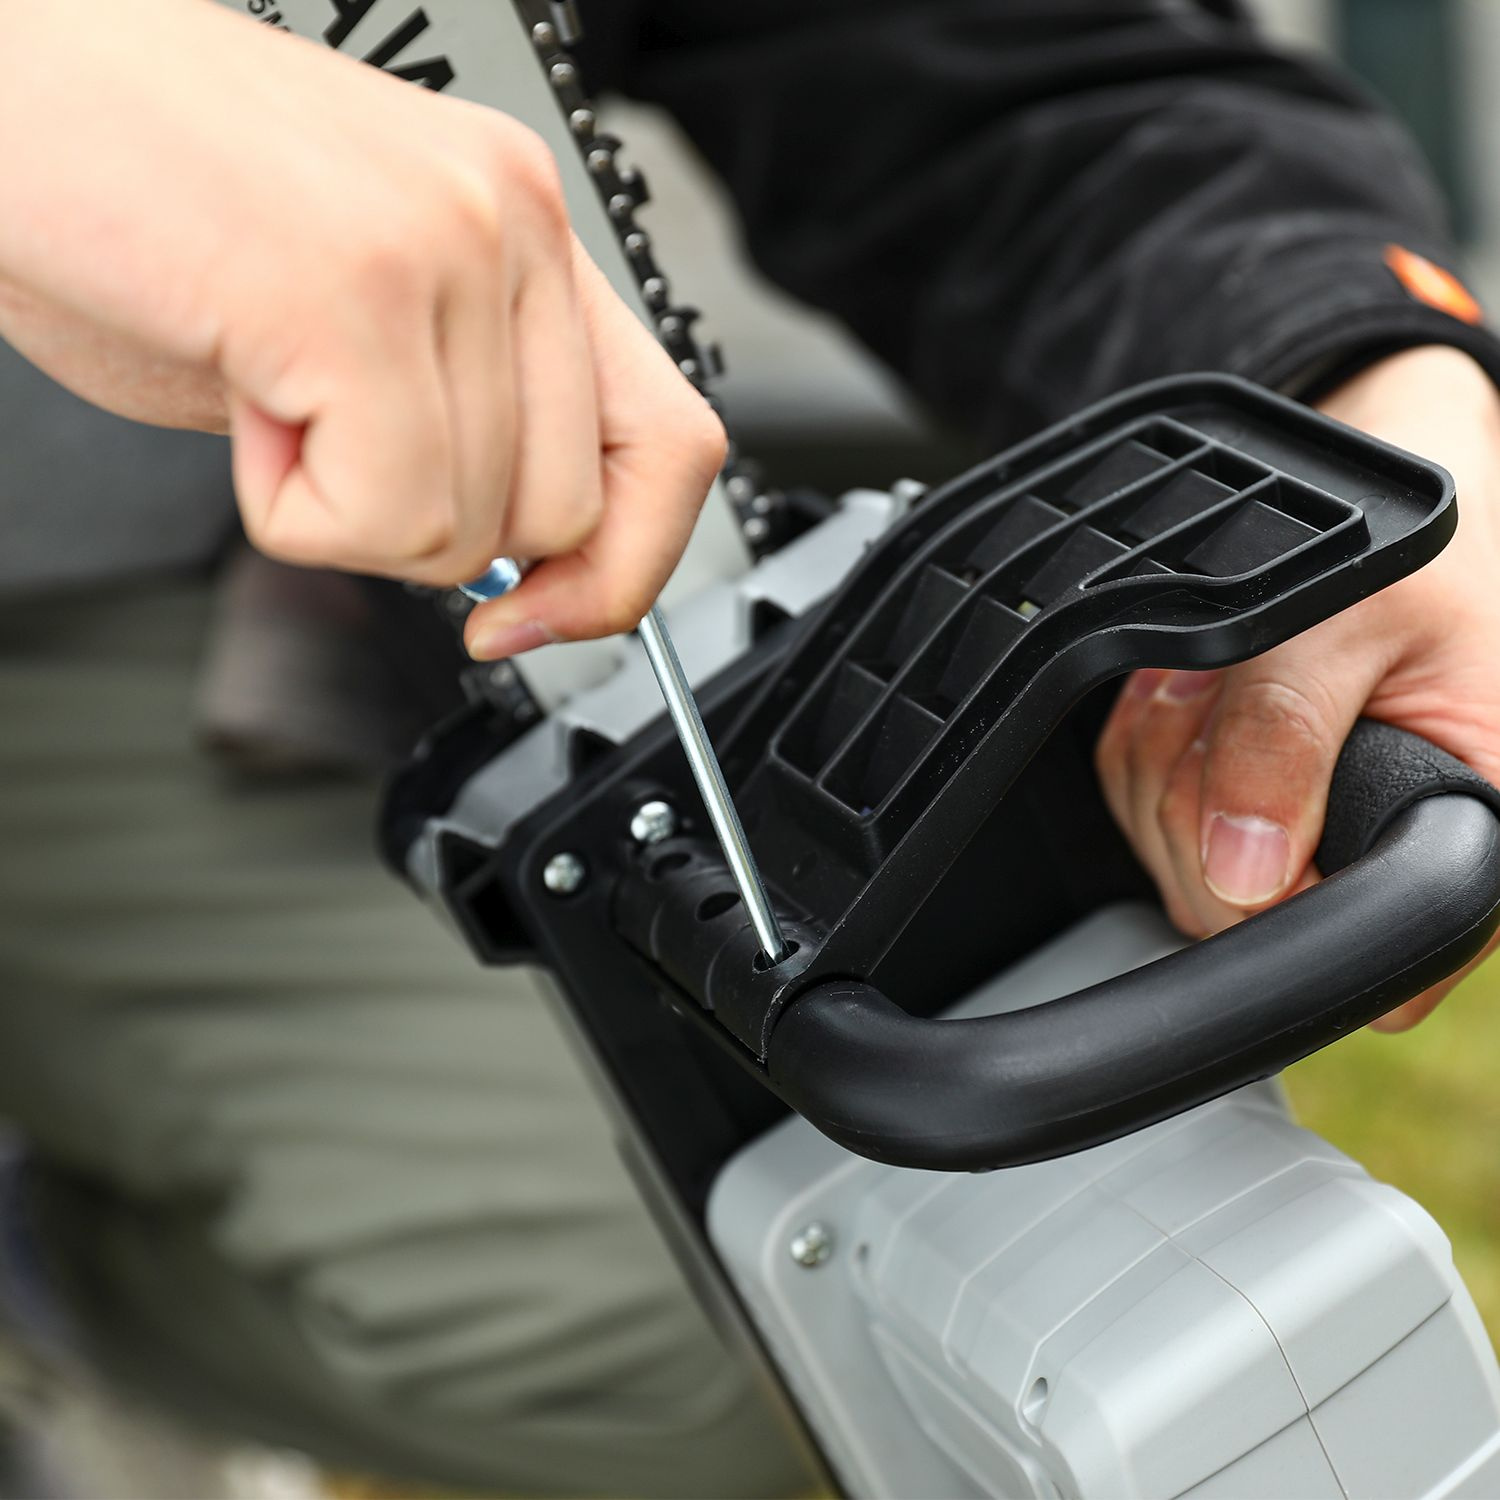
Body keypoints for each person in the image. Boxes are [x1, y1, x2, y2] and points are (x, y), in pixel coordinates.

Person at [1, 0, 1498, 1492]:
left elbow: (1015, 67)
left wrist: (1365, 384)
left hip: (176, 588)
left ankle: (54, 1272)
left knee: (696, 1327)